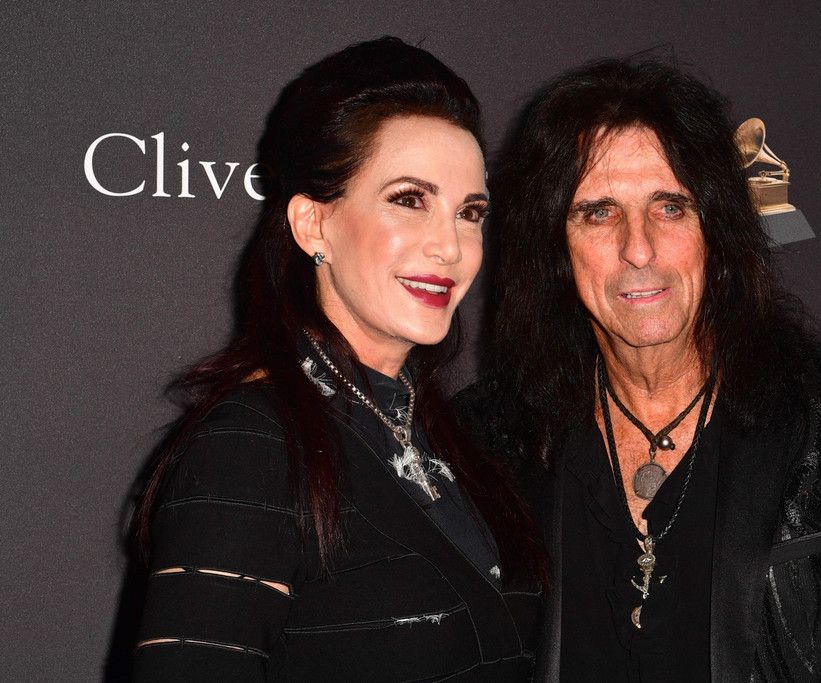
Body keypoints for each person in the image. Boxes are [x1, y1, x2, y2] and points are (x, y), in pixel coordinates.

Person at [457, 58, 821, 681]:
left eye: (670, 207)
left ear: (716, 231)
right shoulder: (488, 437)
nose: (638, 248)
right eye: (599, 212)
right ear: (554, 246)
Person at [131, 37, 544, 681]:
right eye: (410, 199)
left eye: (470, 213)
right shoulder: (250, 446)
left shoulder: (450, 439)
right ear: (313, 224)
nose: (451, 246)